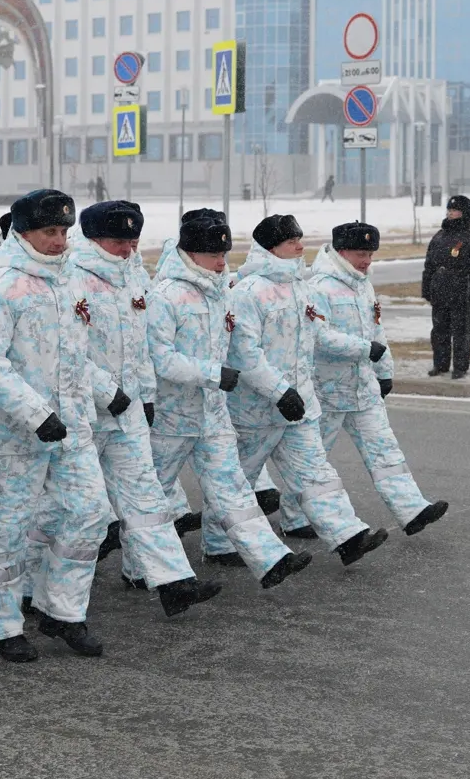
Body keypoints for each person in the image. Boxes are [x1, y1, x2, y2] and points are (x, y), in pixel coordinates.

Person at [0, 189, 99, 663]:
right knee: (5, 531)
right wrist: (35, 414)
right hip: (12, 434)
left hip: (72, 427)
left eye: (64, 231)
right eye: (49, 232)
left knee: (90, 513)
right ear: (22, 232)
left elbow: (78, 356)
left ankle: (62, 611)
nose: (60, 241)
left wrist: (90, 406)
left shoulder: (69, 282)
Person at [67, 200, 221, 616]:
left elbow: (142, 348)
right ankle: (39, 595)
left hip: (128, 411)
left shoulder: (132, 279)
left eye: (133, 241)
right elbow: (64, 352)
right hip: (83, 414)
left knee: (148, 499)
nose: (127, 250)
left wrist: (147, 395)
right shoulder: (70, 279)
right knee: (76, 511)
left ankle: (173, 583)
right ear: (94, 238)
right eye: (119, 241)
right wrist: (105, 390)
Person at [207, 214, 386, 567]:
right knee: (238, 480)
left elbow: (316, 334)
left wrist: (364, 349)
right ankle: (218, 543)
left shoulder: (299, 286)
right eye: (293, 242)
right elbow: (244, 353)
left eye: (300, 240)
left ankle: (346, 535)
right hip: (256, 409)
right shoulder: (247, 292)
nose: (301, 247)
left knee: (316, 473)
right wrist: (278, 392)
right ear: (272, 247)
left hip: (300, 403)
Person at [147, 210, 310, 589]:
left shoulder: (222, 292)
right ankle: (140, 570)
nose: (221, 263)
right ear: (189, 253)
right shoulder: (166, 296)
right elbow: (160, 358)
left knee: (233, 486)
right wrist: (211, 374)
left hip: (213, 415)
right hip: (172, 416)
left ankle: (269, 559)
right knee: (153, 497)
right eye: (212, 255)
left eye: (224, 255)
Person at [285, 222, 448, 539]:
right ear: (342, 251)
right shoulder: (318, 287)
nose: (367, 261)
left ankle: (411, 509)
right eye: (361, 254)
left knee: (385, 451)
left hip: (363, 389)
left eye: (370, 255)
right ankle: (293, 517)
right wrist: (364, 350)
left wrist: (385, 370)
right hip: (327, 391)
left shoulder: (363, 285)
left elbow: (377, 330)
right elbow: (319, 337)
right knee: (313, 460)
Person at [422, 195, 470, 379]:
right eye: (449, 210)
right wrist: (426, 288)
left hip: (461, 291)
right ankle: (440, 365)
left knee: (460, 332)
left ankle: (460, 367)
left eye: (455, 211)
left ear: (464, 213)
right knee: (439, 330)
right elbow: (429, 265)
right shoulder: (439, 236)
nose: (451, 213)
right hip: (440, 289)